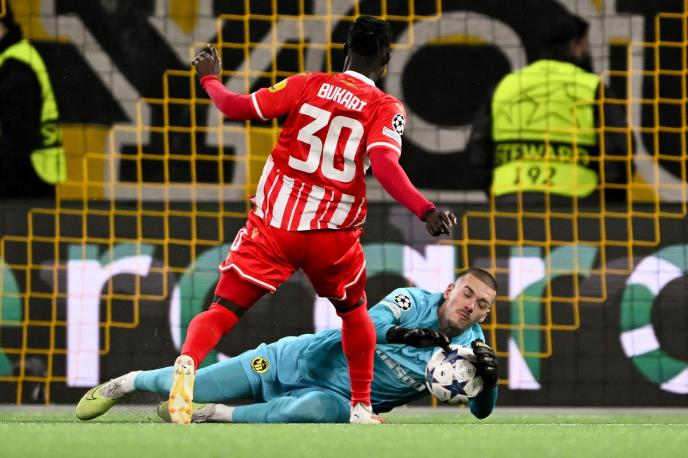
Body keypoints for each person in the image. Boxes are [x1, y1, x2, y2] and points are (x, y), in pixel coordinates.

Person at [167, 16, 457, 425]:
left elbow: (235, 107)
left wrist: (210, 79)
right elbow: (385, 165)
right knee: (354, 314)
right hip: (331, 237)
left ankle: (187, 365)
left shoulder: (306, 84)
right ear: (386, 60)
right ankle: (361, 407)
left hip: (275, 226)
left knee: (223, 309)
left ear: (345, 51)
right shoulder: (386, 107)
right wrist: (426, 210)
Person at [76, 268, 499, 424]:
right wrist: (407, 334)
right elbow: (369, 324)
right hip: (293, 360)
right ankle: (126, 382)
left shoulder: (470, 353)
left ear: (484, 314)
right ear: (450, 289)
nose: (471, 306)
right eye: (467, 294)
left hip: (342, 399)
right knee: (194, 383)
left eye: (482, 305)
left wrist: (491, 383)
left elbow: (480, 411)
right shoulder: (414, 301)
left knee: (312, 411)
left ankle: (214, 414)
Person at [466, 13, 632, 207]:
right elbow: (620, 150)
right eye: (586, 45)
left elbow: (478, 150)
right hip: (578, 203)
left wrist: (498, 194)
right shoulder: (592, 87)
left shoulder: (506, 85)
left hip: (511, 202)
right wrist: (609, 202)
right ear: (575, 46)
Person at [0, 3, 66, 199]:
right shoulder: (14, 58)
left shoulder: (16, 65)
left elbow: (18, 136)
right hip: (28, 176)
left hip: (24, 180)